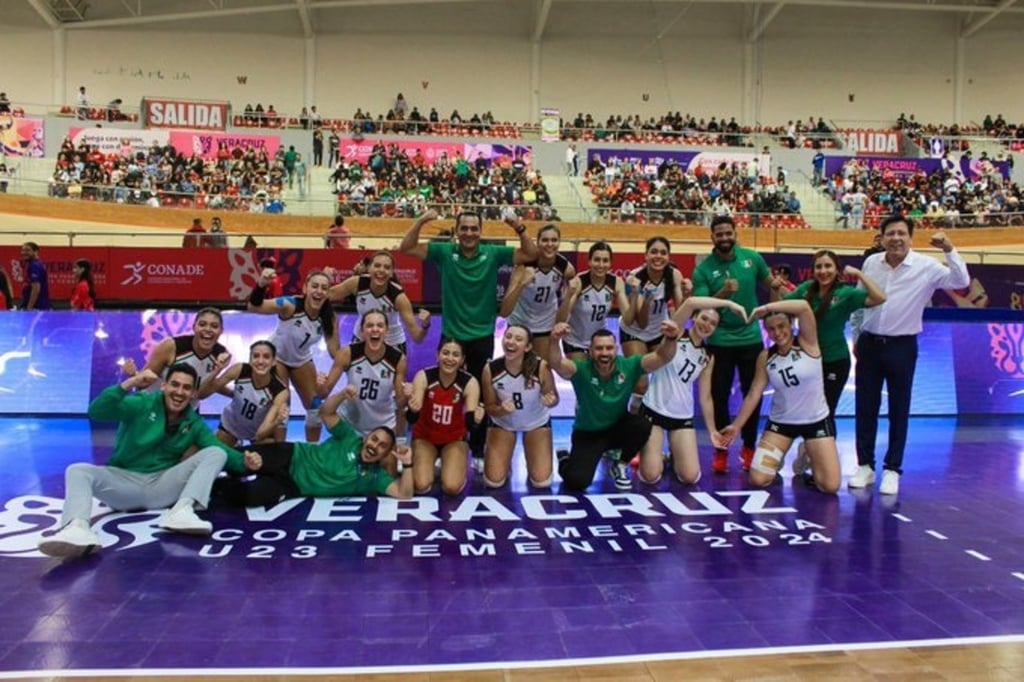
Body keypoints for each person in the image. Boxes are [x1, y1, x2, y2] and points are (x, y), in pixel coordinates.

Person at [37, 364, 248, 559]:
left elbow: (220, 449)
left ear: (193, 394)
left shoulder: (193, 422)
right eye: (174, 384)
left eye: (186, 388)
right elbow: (97, 411)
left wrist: (246, 462)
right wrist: (130, 383)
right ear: (164, 386)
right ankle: (77, 529)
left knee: (214, 453)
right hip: (124, 485)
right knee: (77, 470)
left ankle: (182, 512)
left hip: (163, 487)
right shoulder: (142, 403)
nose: (179, 392)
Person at [399, 208, 538, 467]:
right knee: (440, 393)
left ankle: (475, 449)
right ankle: (438, 444)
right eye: (464, 228)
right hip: (452, 336)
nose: (469, 233)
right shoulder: (443, 252)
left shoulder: (494, 253)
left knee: (481, 396)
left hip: (482, 336)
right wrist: (422, 221)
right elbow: (405, 248)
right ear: (456, 231)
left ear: (481, 231)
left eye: (474, 228)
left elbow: (531, 254)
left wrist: (518, 227)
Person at [851, 219, 969, 495]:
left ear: (910, 238)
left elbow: (961, 281)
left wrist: (949, 249)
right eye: (890, 233)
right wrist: (857, 338)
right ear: (881, 238)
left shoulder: (926, 267)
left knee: (899, 410)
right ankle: (865, 466)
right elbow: (859, 301)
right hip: (869, 345)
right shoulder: (871, 264)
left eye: (901, 233)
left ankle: (892, 469)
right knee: (865, 407)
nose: (896, 238)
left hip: (901, 347)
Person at [218, 385, 413, 505]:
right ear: (365, 438)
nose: (374, 446)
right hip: (291, 454)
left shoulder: (374, 478)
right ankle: (199, 465)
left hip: (291, 485)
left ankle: (215, 486)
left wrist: (408, 464)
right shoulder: (349, 437)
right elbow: (326, 413)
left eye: (382, 446)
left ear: (385, 454)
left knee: (248, 497)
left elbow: (404, 495)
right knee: (232, 459)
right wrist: (342, 394)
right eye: (374, 439)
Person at [721, 299, 841, 494]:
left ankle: (806, 454)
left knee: (830, 486)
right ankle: (779, 455)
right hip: (781, 424)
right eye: (771, 329)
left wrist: (767, 308)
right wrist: (736, 426)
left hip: (816, 421)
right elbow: (753, 393)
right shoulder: (766, 357)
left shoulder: (807, 342)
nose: (777, 333)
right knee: (758, 479)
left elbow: (803, 306)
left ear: (791, 325)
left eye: (781, 326)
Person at [548, 318, 682, 491]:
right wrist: (553, 340)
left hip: (616, 429)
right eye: (599, 348)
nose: (604, 353)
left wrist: (671, 338)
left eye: (609, 348)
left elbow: (662, 357)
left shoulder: (629, 365)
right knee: (577, 482)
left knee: (642, 424)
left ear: (616, 350)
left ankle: (620, 465)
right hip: (588, 434)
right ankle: (565, 461)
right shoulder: (580, 369)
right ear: (590, 351)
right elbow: (556, 363)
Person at [691, 215, 777, 474]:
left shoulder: (753, 258)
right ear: (712, 237)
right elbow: (702, 308)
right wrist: (723, 294)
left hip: (751, 336)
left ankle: (749, 447)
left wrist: (776, 292)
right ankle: (721, 449)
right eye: (719, 234)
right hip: (719, 340)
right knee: (719, 397)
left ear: (735, 233)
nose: (725, 238)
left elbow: (771, 283)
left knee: (753, 396)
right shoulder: (703, 269)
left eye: (729, 233)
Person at [637, 297, 746, 486]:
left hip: (681, 415)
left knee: (690, 476)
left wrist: (712, 431)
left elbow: (705, 397)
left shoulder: (707, 356)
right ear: (694, 317)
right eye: (704, 318)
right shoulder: (676, 333)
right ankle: (655, 455)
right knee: (651, 476)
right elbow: (690, 302)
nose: (707, 325)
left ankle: (673, 455)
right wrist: (729, 303)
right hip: (653, 409)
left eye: (713, 323)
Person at [775, 250, 886, 432]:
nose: (823, 271)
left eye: (828, 266)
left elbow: (880, 298)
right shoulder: (805, 289)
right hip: (806, 361)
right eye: (819, 266)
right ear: (813, 270)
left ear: (837, 270)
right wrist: (774, 289)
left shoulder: (846, 293)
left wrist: (859, 274)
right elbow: (780, 309)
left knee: (826, 411)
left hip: (835, 361)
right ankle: (808, 452)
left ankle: (823, 455)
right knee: (808, 410)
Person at [248, 270, 339, 442]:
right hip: (277, 358)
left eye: (324, 288)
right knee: (283, 407)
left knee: (315, 408)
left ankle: (311, 453)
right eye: (314, 286)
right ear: (305, 288)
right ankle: (280, 450)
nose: (319, 291)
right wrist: (261, 285)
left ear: (328, 293)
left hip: (301, 359)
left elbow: (335, 352)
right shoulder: (290, 305)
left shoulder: (329, 317)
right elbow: (254, 306)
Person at [481, 324, 559, 489]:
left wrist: (550, 400)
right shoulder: (491, 369)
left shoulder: (541, 367)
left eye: (518, 339)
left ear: (528, 346)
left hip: (536, 423)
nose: (511, 342)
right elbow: (489, 407)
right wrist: (501, 410)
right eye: (508, 337)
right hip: (503, 423)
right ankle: (504, 461)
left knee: (541, 482)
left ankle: (540, 458)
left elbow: (554, 398)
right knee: (494, 482)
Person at [619, 237, 688, 413]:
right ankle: (632, 416)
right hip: (634, 330)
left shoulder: (674, 274)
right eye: (654, 252)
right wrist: (647, 303)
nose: (658, 256)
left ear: (668, 256)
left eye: (663, 253)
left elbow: (681, 310)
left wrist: (687, 295)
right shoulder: (634, 279)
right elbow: (641, 323)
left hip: (658, 330)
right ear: (646, 255)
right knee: (641, 384)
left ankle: (655, 418)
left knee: (666, 379)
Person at [406, 338, 482, 496]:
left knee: (452, 487)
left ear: (462, 360)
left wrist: (476, 420)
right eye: (445, 353)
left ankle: (455, 461)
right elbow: (411, 418)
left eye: (455, 355)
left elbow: (470, 423)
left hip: (454, 438)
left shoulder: (469, 382)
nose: (450, 358)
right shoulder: (424, 376)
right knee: (421, 485)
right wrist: (413, 409)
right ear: (437, 355)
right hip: (425, 437)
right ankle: (431, 460)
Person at [317, 310, 408, 437]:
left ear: (387, 331)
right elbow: (323, 393)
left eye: (380, 325)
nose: (375, 329)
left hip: (383, 427)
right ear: (362, 330)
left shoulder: (398, 359)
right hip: (350, 425)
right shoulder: (347, 353)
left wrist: (408, 395)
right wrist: (320, 385)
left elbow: (400, 404)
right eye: (369, 325)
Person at [327, 251, 430, 353]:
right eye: (377, 265)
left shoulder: (399, 297)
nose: (381, 270)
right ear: (369, 268)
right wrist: (325, 278)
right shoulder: (356, 283)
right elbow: (328, 295)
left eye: (386, 267)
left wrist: (425, 325)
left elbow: (417, 337)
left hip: (391, 343)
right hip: (362, 338)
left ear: (391, 273)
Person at [500, 224, 576, 361]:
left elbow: (573, 289)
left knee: (541, 369)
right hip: (519, 323)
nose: (550, 244)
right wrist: (522, 284)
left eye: (554, 240)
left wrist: (568, 296)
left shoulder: (566, 268)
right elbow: (504, 311)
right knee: (516, 367)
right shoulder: (523, 267)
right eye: (545, 240)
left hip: (545, 325)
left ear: (559, 242)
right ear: (538, 243)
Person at [124, 308, 230, 404]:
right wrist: (134, 375)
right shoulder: (170, 346)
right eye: (202, 324)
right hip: (152, 405)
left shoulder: (221, 355)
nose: (208, 329)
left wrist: (237, 395)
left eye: (214, 326)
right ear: (194, 327)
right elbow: (143, 382)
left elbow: (208, 387)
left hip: (185, 413)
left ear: (221, 331)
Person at [197, 340, 290, 447]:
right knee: (215, 455)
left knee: (271, 454)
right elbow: (201, 394)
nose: (260, 361)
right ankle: (234, 443)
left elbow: (260, 434)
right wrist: (217, 370)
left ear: (274, 362)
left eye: (266, 357)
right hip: (231, 425)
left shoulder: (280, 392)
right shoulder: (240, 369)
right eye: (256, 356)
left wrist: (277, 421)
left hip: (256, 433)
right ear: (250, 360)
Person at [557, 241, 634, 360]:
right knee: (582, 377)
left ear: (610, 263)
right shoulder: (579, 282)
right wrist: (568, 296)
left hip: (598, 341)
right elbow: (561, 319)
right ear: (589, 261)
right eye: (597, 260)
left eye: (605, 260)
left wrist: (635, 295)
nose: (601, 265)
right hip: (575, 341)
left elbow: (628, 319)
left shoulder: (616, 282)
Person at [19, 242, 51, 311]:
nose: (24, 253)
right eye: (23, 250)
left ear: (35, 252)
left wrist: (29, 308)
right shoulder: (34, 264)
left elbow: (36, 288)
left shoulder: (34, 265)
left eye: (27, 250)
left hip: (36, 307)